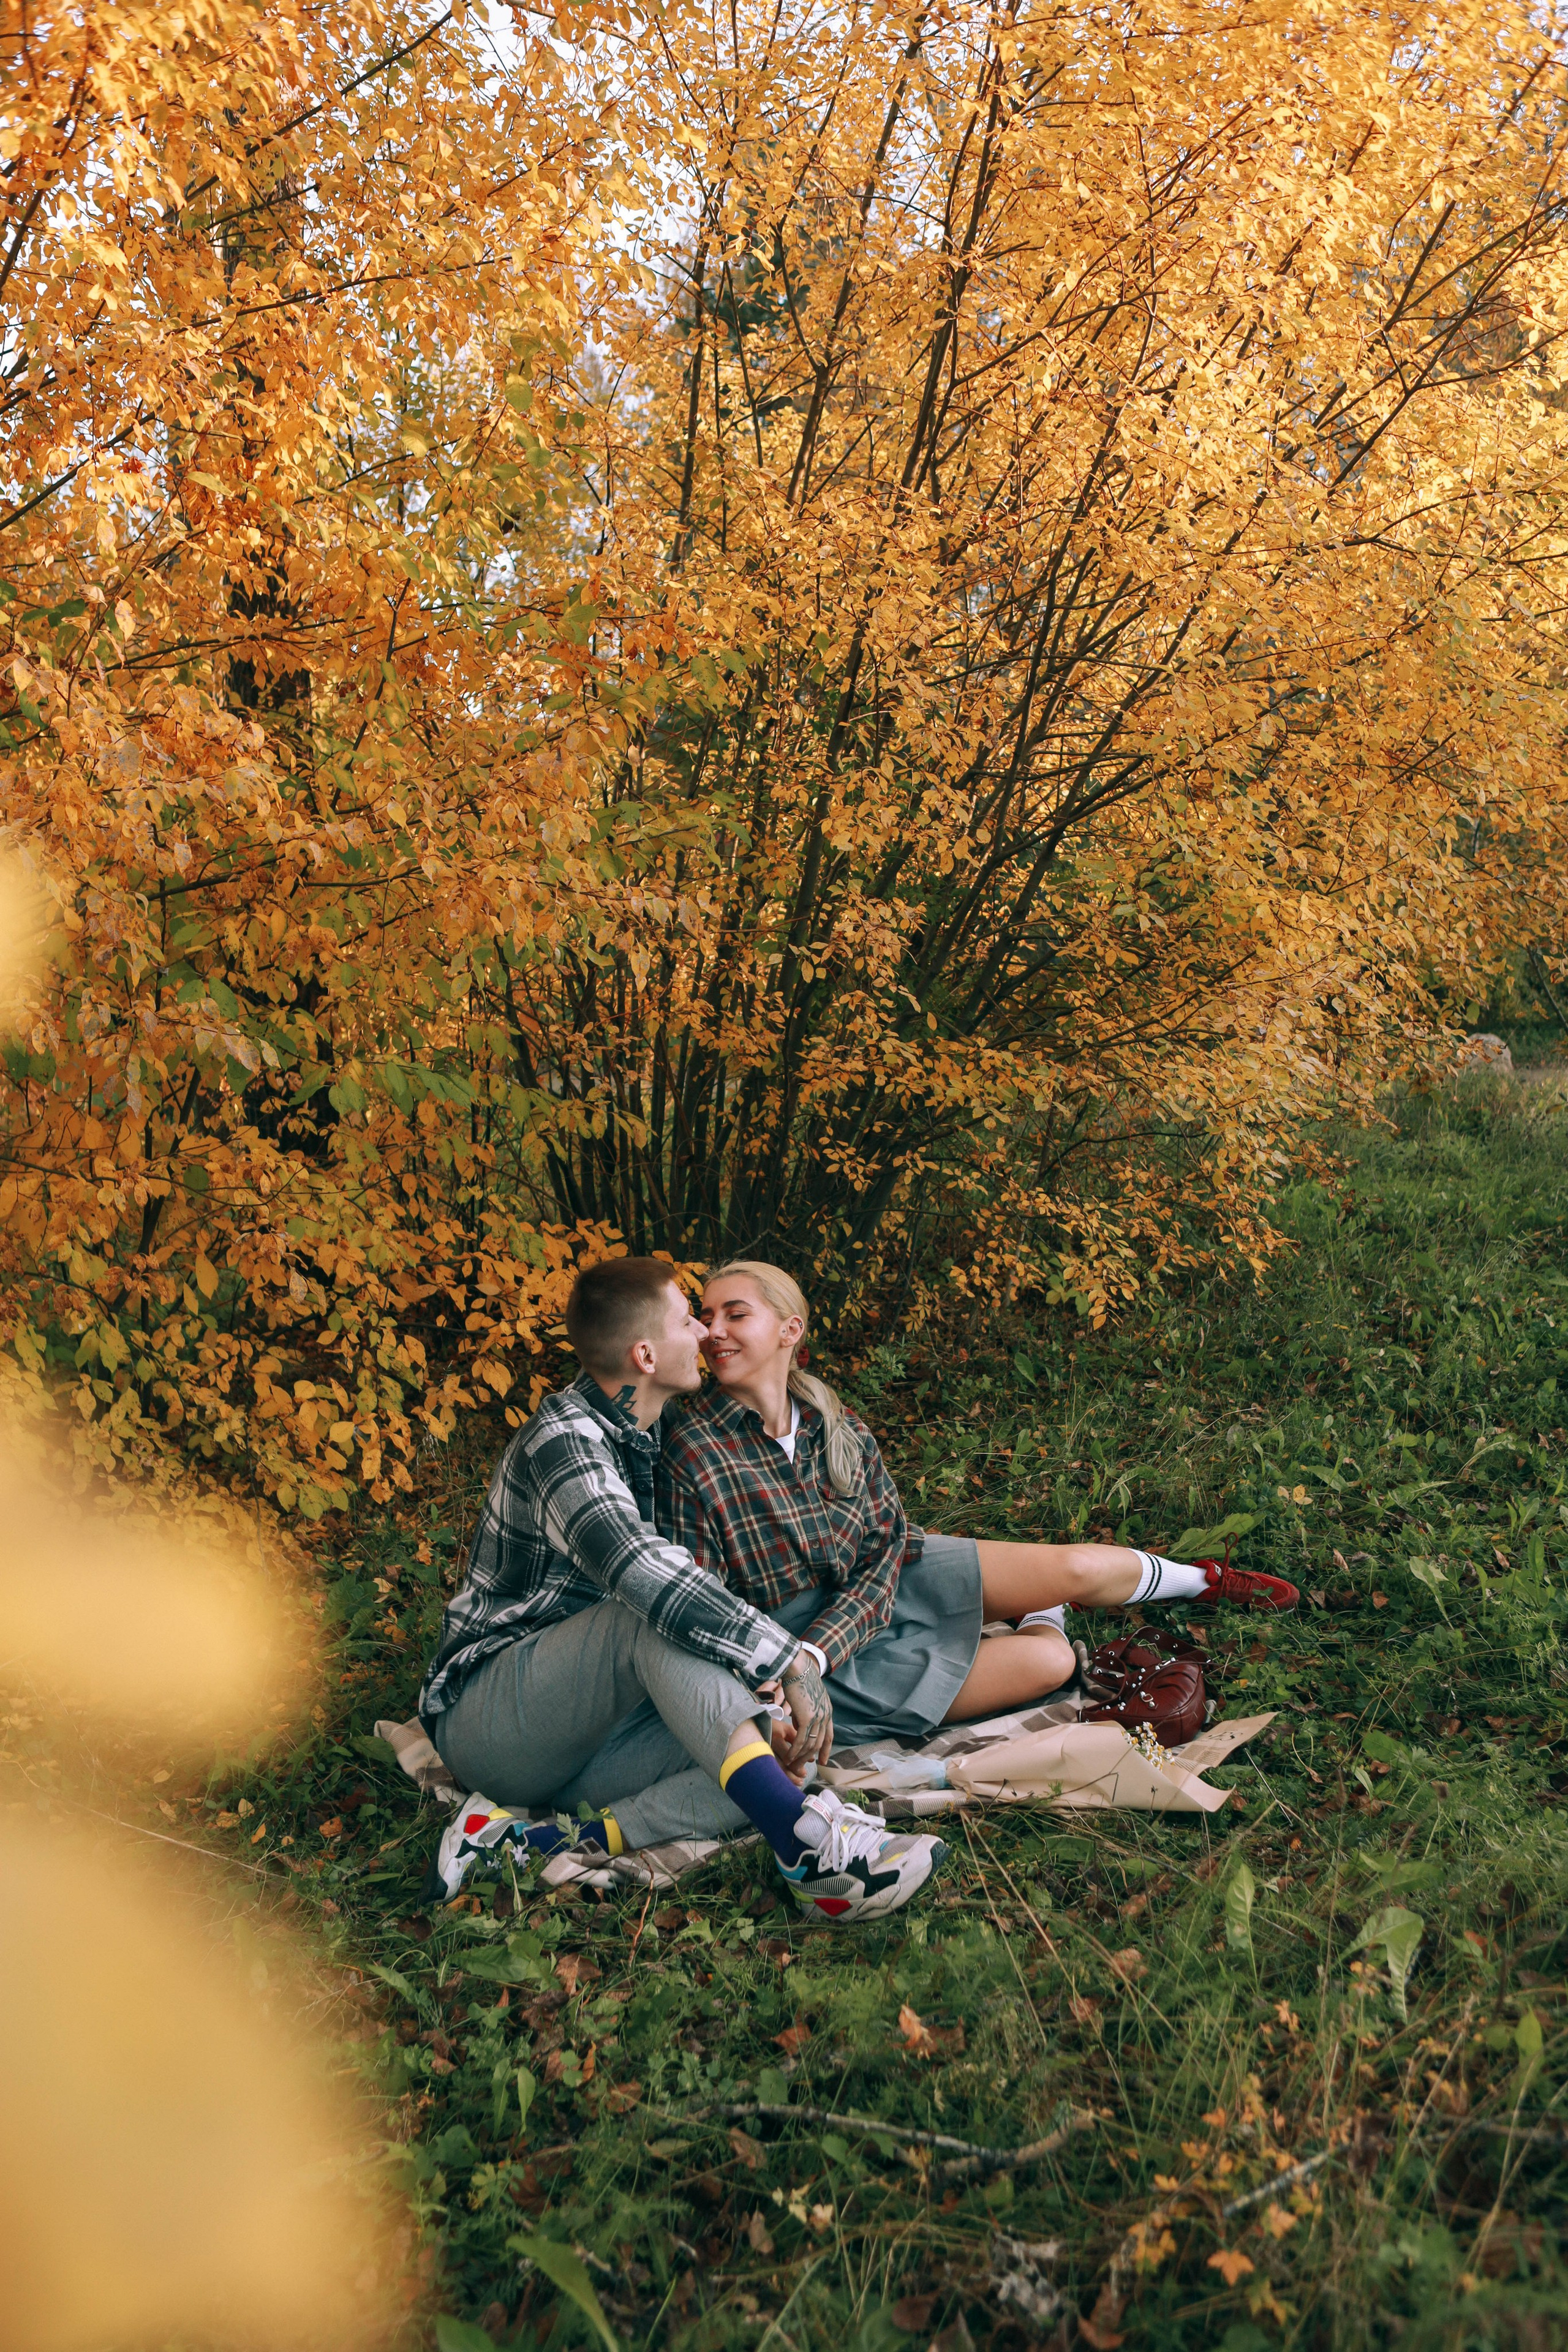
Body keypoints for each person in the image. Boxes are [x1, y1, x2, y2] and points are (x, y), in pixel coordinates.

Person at [415, 1256, 947, 1921]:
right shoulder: (563, 1441)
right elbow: (642, 1570)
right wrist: (788, 1661)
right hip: (497, 1722)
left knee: (778, 1745)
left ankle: (531, 1840)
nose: (704, 1332)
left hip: (596, 1738)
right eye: (688, 1319)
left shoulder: (653, 1435)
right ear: (645, 1352)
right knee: (644, 1613)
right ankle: (807, 1849)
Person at [655, 1260, 1298, 1752]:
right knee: (1050, 1661)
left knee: (1080, 1568)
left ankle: (1201, 1583)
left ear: (788, 1329)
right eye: (705, 1317)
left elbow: (885, 1549)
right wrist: (810, 1658)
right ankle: (1040, 1614)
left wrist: (849, 1614)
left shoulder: (835, 1422)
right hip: (802, 1646)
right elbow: (706, 1600)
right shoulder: (690, 1447)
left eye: (733, 1314)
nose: (712, 1332)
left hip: (890, 1580)